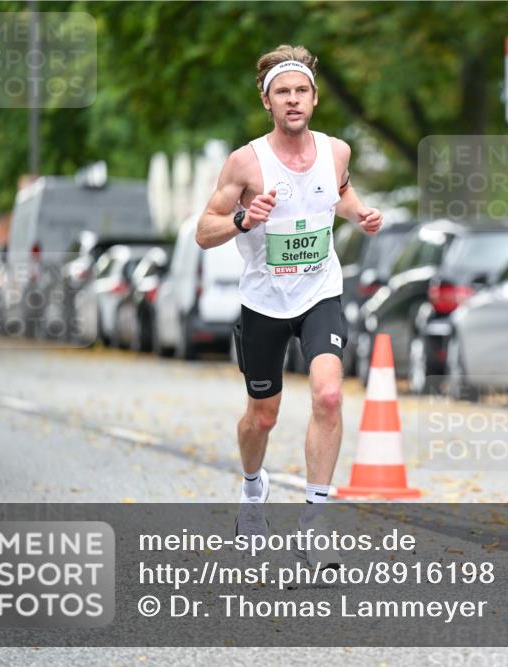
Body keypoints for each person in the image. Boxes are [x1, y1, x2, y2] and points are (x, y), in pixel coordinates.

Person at [195, 45, 382, 568]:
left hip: (320, 291)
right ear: (267, 101)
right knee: (262, 416)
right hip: (264, 302)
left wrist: (359, 213)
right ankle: (253, 492)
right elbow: (202, 232)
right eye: (283, 92)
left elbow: (338, 193)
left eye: (301, 91)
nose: (293, 100)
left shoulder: (337, 151)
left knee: (328, 396)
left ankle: (315, 526)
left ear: (315, 99)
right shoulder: (246, 162)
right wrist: (242, 220)